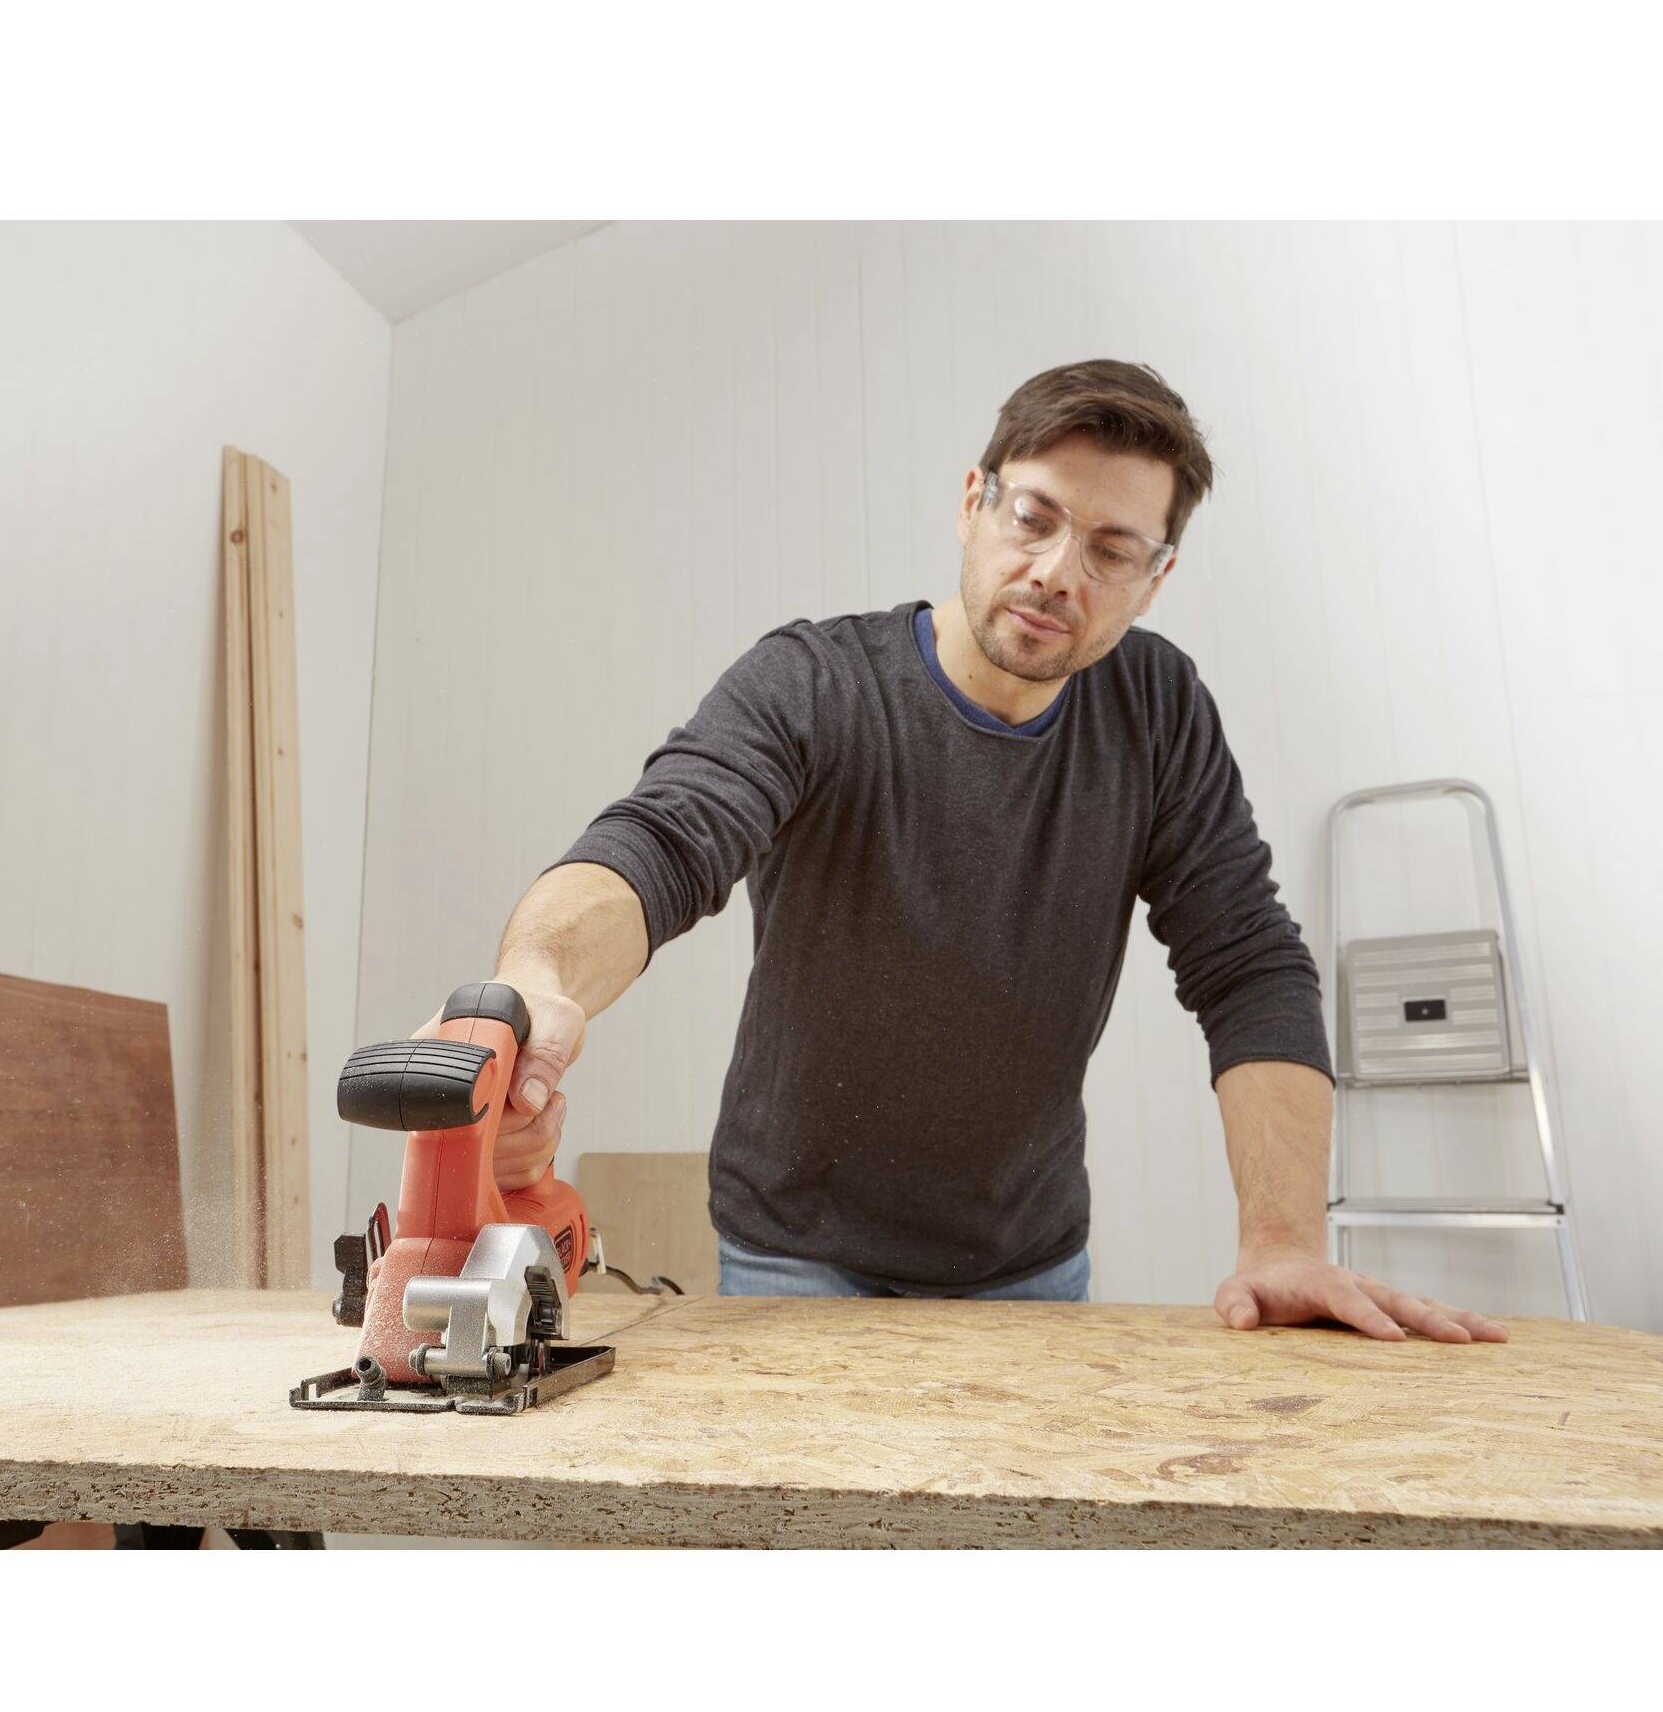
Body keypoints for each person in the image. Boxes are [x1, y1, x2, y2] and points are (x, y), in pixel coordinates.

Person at [418, 359, 1504, 1343]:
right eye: (1033, 518)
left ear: (1155, 577)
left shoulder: (1158, 710)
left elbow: (1248, 964)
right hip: (793, 1252)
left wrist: (1284, 1242)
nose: (1057, 572)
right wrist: (536, 981)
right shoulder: (814, 684)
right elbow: (661, 840)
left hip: (1026, 1261)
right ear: (972, 501)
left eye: (1111, 550)